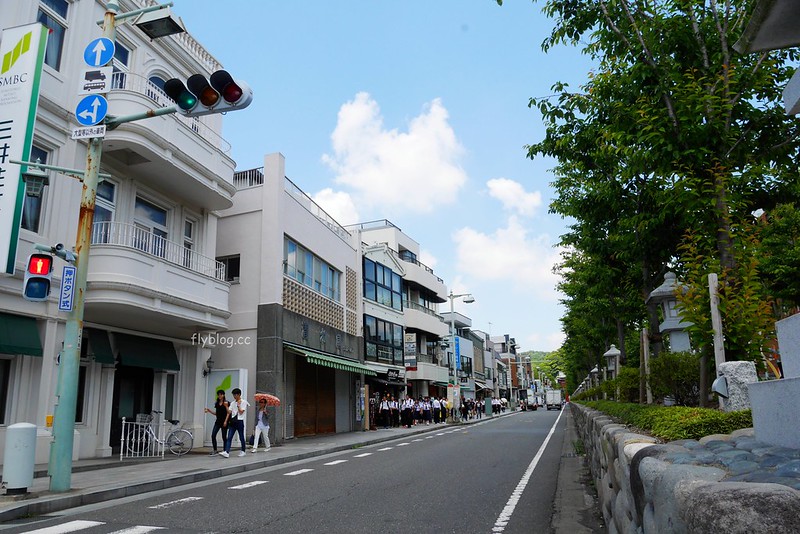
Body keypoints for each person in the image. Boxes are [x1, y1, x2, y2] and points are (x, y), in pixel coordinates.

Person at [220, 388, 250, 458]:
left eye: (235, 395)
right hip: (233, 422)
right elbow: (229, 412)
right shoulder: (233, 403)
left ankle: (243, 451)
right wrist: (226, 406)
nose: (234, 396)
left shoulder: (244, 402)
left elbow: (241, 412)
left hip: (239, 421)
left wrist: (238, 405)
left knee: (241, 437)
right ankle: (227, 452)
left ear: (239, 394)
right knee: (229, 437)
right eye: (233, 395)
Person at [204, 389, 228, 456]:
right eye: (219, 394)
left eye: (221, 394)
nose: (219, 396)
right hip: (217, 422)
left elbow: (228, 413)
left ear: (223, 395)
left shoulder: (226, 403)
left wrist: (226, 421)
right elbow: (216, 413)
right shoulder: (217, 403)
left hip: (224, 422)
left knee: (224, 436)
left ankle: (225, 450)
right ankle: (215, 449)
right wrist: (209, 411)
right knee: (213, 435)